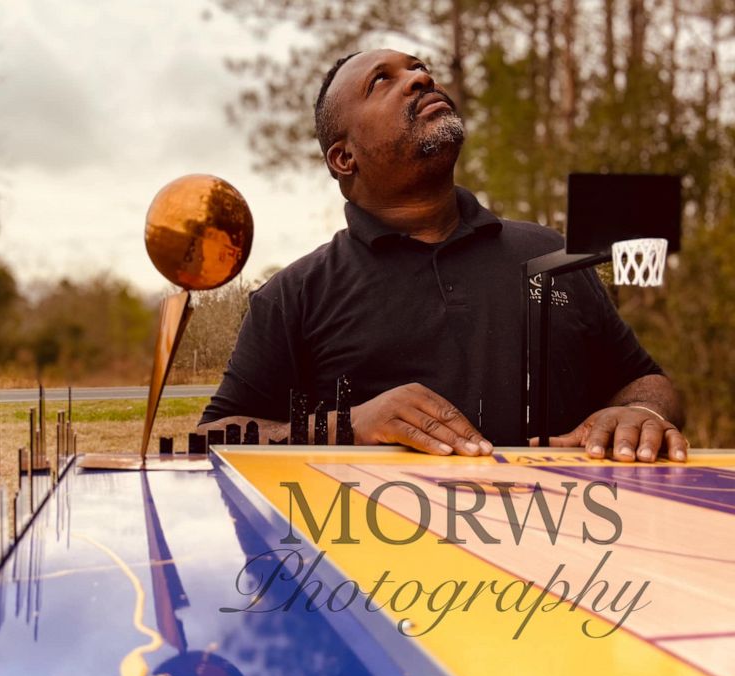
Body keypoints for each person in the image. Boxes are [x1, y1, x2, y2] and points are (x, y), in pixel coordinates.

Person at [200, 49, 686, 463]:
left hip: (569, 561)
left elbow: (644, 380)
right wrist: (350, 425)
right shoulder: (294, 295)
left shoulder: (550, 253)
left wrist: (642, 415)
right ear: (344, 158)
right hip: (378, 565)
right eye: (381, 81)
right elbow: (213, 435)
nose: (421, 78)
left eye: (418, 68)